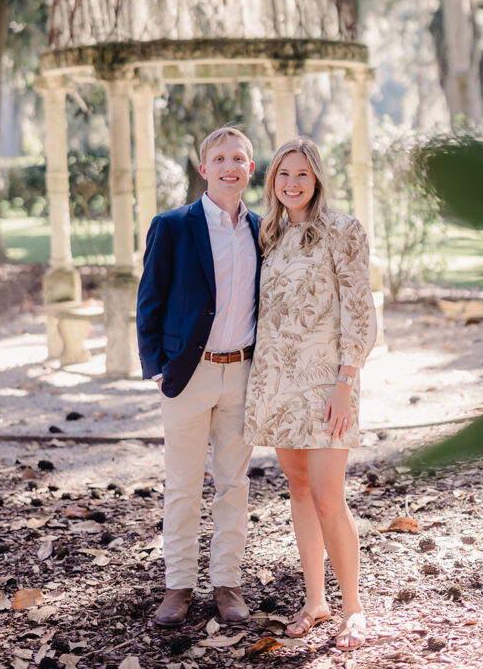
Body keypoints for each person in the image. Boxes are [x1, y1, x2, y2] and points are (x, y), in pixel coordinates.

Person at [244, 137, 376, 651]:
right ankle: (315, 601)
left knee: (327, 493)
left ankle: (354, 609)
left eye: (301, 174)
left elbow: (359, 310)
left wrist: (346, 381)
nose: (292, 183)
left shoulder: (342, 230)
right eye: (283, 175)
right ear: (272, 181)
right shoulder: (269, 235)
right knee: (298, 489)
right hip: (276, 380)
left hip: (327, 381)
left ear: (316, 178)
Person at [136, 126, 261, 628]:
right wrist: (157, 370)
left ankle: (227, 584)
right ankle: (178, 587)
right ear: (204, 167)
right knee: (183, 486)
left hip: (244, 372)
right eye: (219, 158)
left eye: (239, 159)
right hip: (187, 376)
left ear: (251, 170)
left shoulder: (262, 230)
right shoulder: (172, 226)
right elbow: (150, 300)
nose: (230, 167)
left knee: (235, 485)